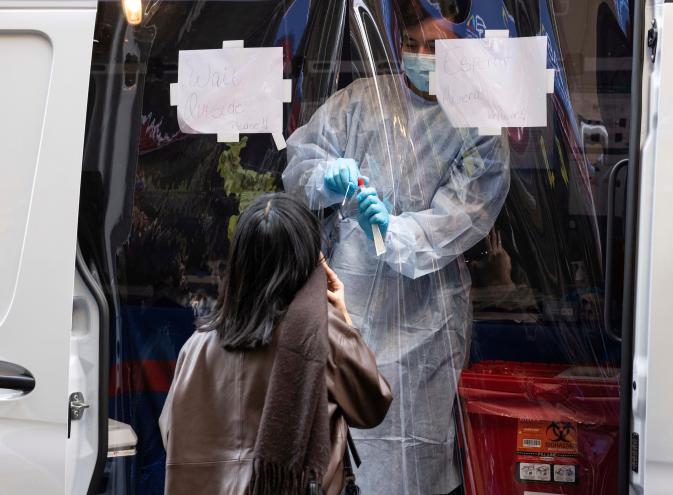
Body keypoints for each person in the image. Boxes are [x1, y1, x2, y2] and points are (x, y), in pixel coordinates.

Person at [282, 3, 509, 494]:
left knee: (418, 458)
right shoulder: (360, 103)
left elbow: (462, 217)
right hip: (353, 310)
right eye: (413, 45)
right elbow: (299, 169)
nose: (422, 56)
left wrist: (391, 230)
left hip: (426, 327)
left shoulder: (478, 127)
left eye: (436, 48)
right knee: (343, 460)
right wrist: (326, 177)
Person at [159, 193, 392, 495]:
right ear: (308, 260)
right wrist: (344, 318)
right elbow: (372, 406)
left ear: (240, 261)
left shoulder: (197, 345)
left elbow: (171, 432)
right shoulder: (319, 335)